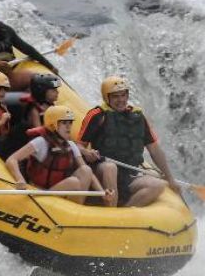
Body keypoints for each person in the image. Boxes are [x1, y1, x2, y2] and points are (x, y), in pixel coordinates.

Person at [77, 75, 181, 208]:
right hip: (101, 171)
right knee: (110, 167)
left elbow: (154, 149)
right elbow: (78, 145)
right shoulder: (97, 115)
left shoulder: (138, 116)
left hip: (128, 174)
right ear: (106, 97)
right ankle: (111, 210)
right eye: (115, 96)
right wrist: (86, 152)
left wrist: (170, 178)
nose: (121, 100)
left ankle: (123, 215)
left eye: (123, 95)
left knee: (158, 185)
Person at [5, 105, 107, 205]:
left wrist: (103, 193)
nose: (69, 126)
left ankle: (76, 209)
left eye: (70, 122)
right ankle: (72, 211)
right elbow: (12, 159)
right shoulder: (41, 142)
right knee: (73, 182)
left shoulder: (70, 144)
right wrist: (20, 179)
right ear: (53, 125)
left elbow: (88, 173)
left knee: (86, 170)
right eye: (64, 123)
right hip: (39, 191)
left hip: (58, 189)